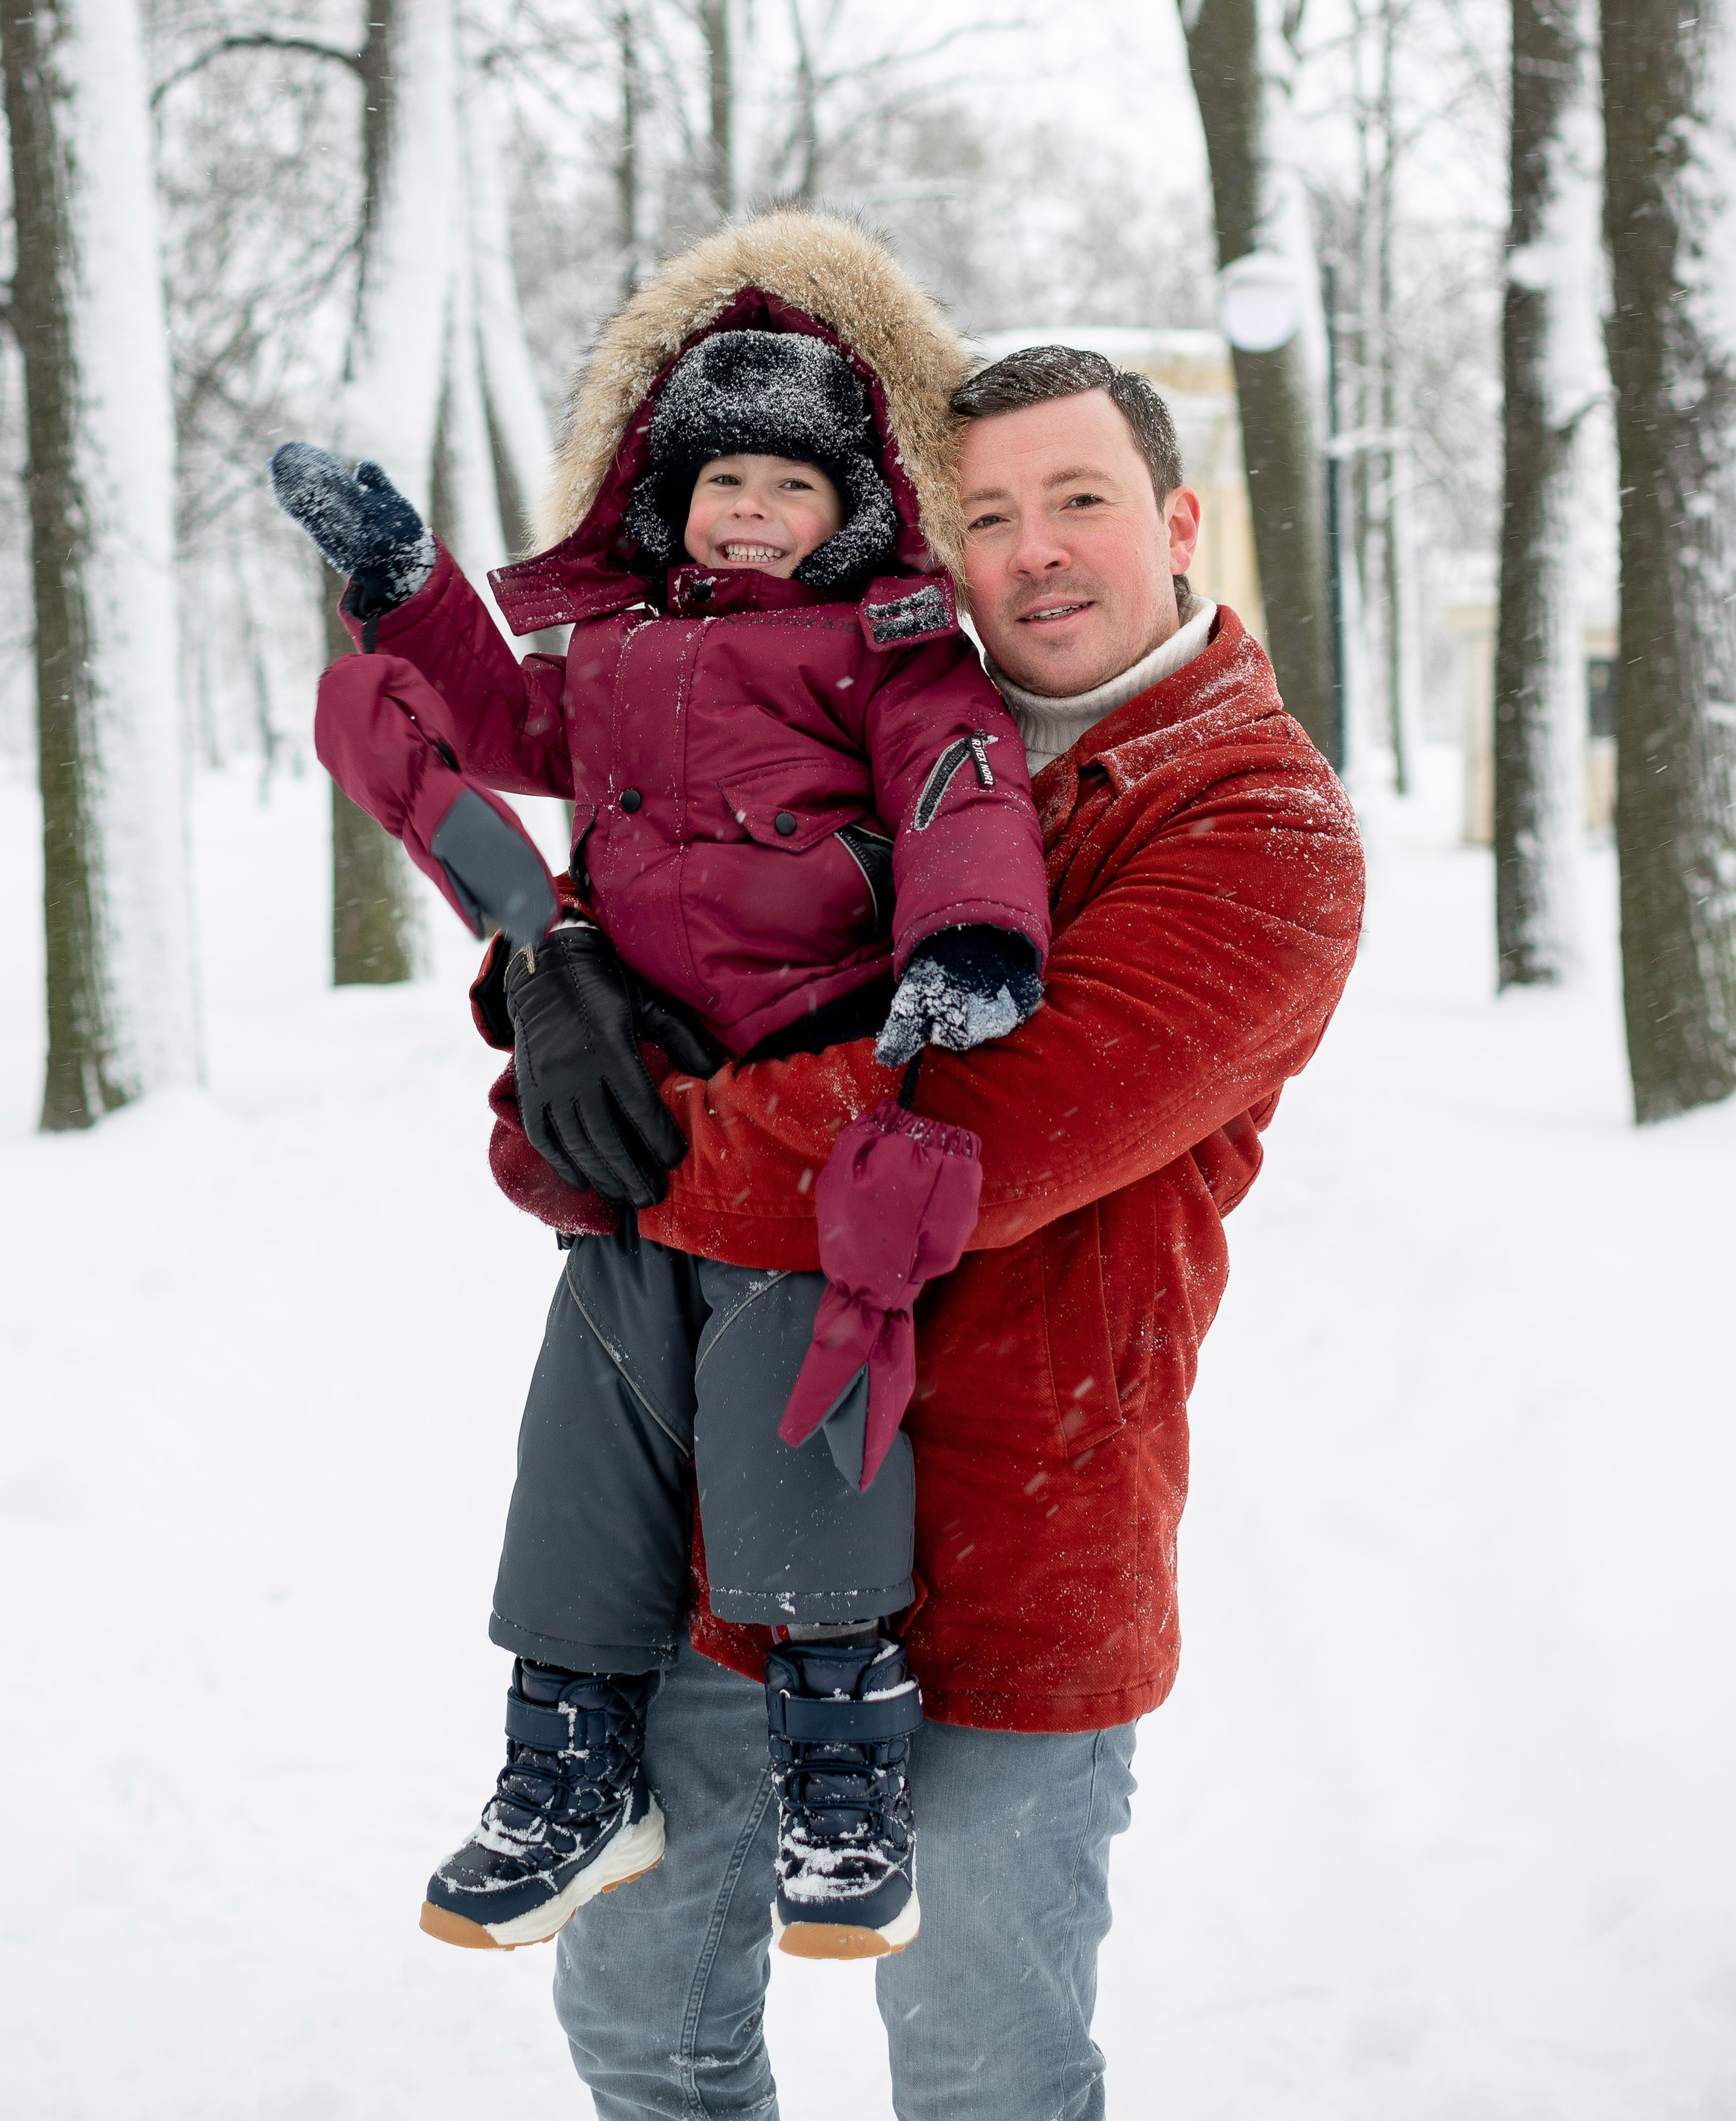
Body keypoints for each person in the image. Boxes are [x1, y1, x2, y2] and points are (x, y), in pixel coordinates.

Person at [478, 323, 1367, 2121]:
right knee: (642, 2029)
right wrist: (548, 981)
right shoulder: (850, 722)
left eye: (1078, 500)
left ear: (1173, 518)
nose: (1033, 547)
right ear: (928, 546)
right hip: (738, 1513)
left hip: (1011, 1548)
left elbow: (953, 1146)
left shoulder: (1257, 828)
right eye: (988, 512)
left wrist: (617, 1129)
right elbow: (669, 936)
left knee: (981, 2069)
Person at [269, 214, 1054, 1963]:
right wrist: (399, 581)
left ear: (846, 502)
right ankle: (567, 1751)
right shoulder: (614, 650)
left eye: (789, 481)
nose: (754, 509)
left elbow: (958, 786)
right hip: (631, 1085)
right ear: (665, 492)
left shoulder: (884, 644)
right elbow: (478, 724)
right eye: (722, 482)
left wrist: (973, 939)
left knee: (802, 1383)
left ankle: (839, 1756)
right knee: (593, 1393)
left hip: (811, 1072)